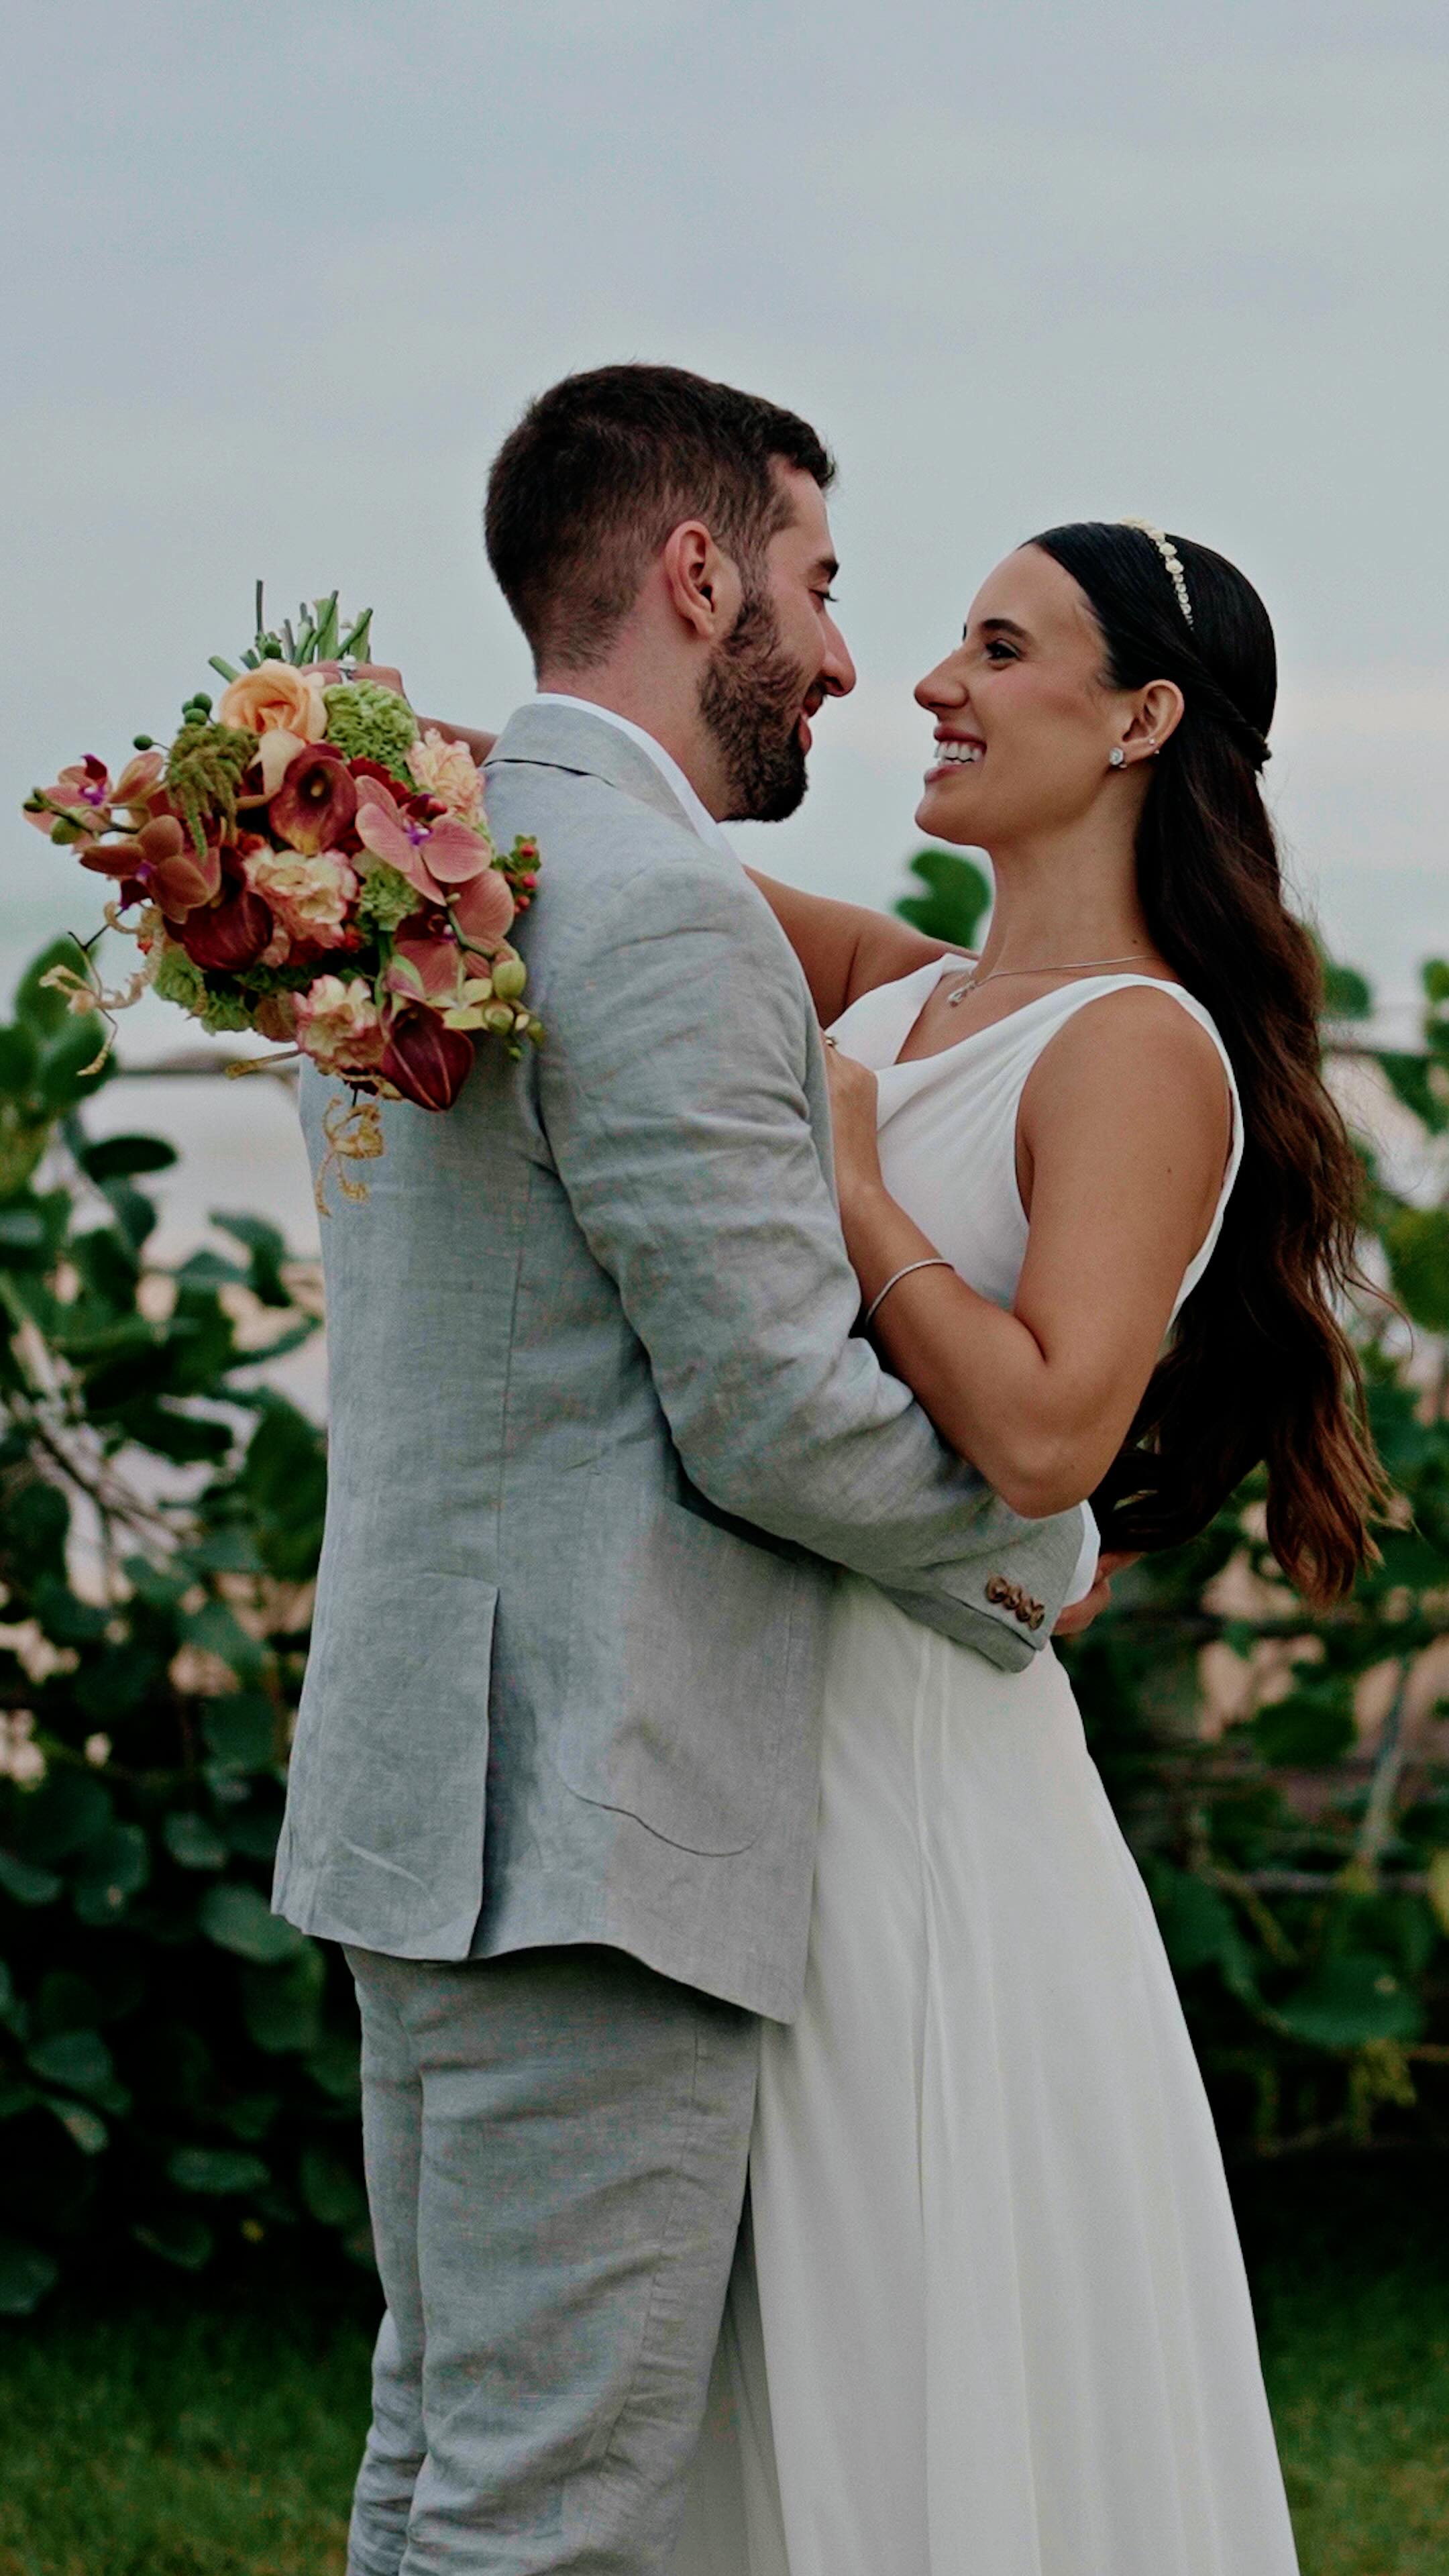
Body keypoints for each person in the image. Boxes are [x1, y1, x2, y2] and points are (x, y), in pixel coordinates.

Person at [272, 364, 1094, 2575]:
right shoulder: (652, 906)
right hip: (590, 1836)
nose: (845, 653)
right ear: (697, 568)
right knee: (549, 2510)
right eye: (820, 584)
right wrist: (1038, 1535)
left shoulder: (395, 872)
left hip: (422, 1804)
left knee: (443, 2463)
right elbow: (770, 1412)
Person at [672, 521, 1381, 2575]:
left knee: (910, 2356)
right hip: (771, 1764)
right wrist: (413, 789)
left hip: (926, 1816)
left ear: (1144, 719)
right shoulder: (922, 992)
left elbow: (1054, 1432)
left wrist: (858, 1190)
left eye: (1001, 649)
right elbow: (642, 896)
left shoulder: (1143, 1049)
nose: (932, 683)